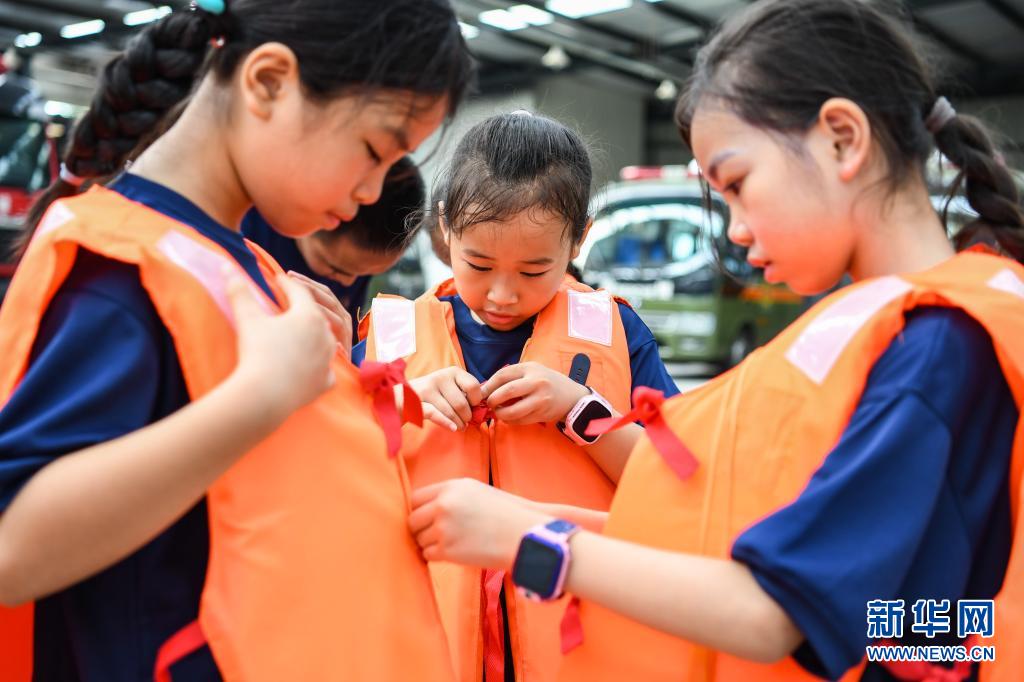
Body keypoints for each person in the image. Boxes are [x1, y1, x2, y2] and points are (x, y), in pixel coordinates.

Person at [403, 2, 1024, 681]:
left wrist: (532, 539)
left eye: (737, 184)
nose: (735, 229)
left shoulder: (932, 347)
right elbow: (899, 607)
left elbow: (780, 609)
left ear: (843, 139)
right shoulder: (902, 331)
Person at [0, 1, 473, 680]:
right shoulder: (122, 280)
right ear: (269, 82)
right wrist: (262, 396)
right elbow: (13, 547)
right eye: (374, 151)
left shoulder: (241, 264)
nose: (373, 192)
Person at [355, 111, 679, 682]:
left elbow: (676, 483)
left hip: (575, 649)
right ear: (445, 227)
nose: (502, 294)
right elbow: (331, 469)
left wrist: (577, 407)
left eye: (534, 270)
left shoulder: (618, 334)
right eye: (479, 264)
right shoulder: (390, 339)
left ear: (578, 238)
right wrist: (403, 402)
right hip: (425, 646)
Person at [242, 155, 426, 335]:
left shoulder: (355, 260)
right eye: (336, 269)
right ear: (312, 213)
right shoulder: (246, 231)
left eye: (366, 273)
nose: (349, 282)